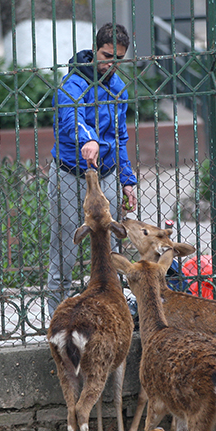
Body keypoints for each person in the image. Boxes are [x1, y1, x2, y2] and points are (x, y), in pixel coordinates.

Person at [44, 22, 138, 313]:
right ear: (95, 49)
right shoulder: (73, 83)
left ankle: (113, 312)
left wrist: (127, 180)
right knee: (66, 251)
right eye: (107, 55)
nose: (111, 64)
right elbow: (71, 119)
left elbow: (120, 136)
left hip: (107, 174)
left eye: (118, 59)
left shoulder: (117, 88)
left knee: (110, 250)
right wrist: (89, 139)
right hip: (70, 176)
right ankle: (57, 318)